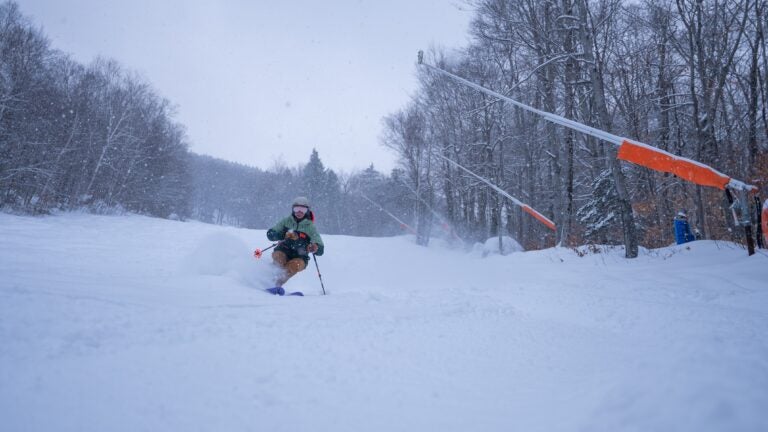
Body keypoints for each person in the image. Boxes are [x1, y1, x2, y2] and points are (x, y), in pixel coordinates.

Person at [265, 197, 324, 292]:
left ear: (307, 211)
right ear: (293, 209)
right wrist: (282, 234)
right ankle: (269, 282)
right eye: (296, 209)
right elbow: (270, 234)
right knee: (278, 257)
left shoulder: (310, 227)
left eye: (303, 209)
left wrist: (315, 247)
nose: (299, 212)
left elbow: (320, 249)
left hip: (300, 256)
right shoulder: (286, 221)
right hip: (283, 250)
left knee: (293, 265)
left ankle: (277, 284)